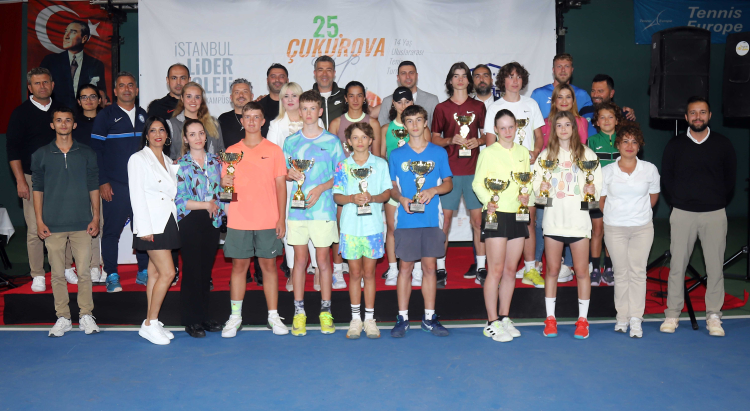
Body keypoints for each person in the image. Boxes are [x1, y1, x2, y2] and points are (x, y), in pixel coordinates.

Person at [660, 96, 736, 337]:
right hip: (682, 214)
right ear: (686, 117)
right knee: (677, 266)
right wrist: (679, 201)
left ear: (710, 116)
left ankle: (713, 316)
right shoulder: (675, 145)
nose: (698, 117)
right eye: (693, 112)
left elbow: (730, 179)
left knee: (715, 268)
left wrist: (715, 200)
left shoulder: (723, 144)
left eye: (702, 112)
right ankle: (672, 314)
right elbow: (667, 178)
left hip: (714, 214)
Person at [220, 102, 288, 338]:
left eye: (256, 117)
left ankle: (273, 316)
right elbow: (226, 191)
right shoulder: (231, 152)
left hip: (268, 219)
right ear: (242, 121)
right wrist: (224, 185)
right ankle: (235, 317)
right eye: (247, 116)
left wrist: (281, 218)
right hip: (239, 219)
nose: (251, 121)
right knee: (239, 267)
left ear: (263, 121)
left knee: (269, 267)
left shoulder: (274, 150)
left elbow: (281, 186)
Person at [531, 110, 601, 340]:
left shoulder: (587, 154)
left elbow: (597, 191)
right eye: (559, 125)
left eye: (567, 124)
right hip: (554, 222)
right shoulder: (546, 156)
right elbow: (537, 191)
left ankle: (583, 321)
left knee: (581, 272)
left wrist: (592, 191)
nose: (563, 129)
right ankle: (550, 319)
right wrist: (540, 189)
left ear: (574, 128)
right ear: (554, 129)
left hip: (579, 223)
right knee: (552, 271)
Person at [32, 106, 100, 337]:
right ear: (52, 125)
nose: (63, 124)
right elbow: (37, 190)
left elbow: (94, 186)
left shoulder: (87, 153)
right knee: (57, 274)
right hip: (52, 225)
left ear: (74, 124)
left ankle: (86, 315)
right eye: (59, 120)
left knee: (84, 273)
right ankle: (63, 317)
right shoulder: (40, 154)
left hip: (82, 223)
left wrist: (96, 217)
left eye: (68, 120)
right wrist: (39, 221)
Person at [283, 90, 346, 336]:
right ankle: (299, 313)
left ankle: (326, 312)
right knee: (299, 262)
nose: (308, 113)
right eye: (304, 108)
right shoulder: (290, 142)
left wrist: (321, 188)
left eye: (313, 109)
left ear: (320, 111)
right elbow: (285, 172)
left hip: (323, 211)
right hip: (297, 212)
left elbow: (340, 175)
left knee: (323, 261)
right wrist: (289, 174)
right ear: (299, 112)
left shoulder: (332, 141)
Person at [389, 105, 453, 338]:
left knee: (429, 268)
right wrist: (401, 198)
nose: (414, 125)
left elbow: (448, 183)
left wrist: (433, 190)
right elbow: (392, 187)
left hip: (431, 219)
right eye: (410, 121)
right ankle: (402, 317)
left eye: (418, 120)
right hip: (407, 219)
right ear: (404, 125)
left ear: (425, 123)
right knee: (405, 268)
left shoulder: (438, 152)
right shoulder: (396, 155)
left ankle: (429, 317)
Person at [483, 62, 545, 288]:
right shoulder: (494, 107)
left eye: (519, 77)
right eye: (510, 76)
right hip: (502, 176)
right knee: (502, 220)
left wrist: (535, 152)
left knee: (528, 219)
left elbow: (539, 136)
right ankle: (501, 269)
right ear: (503, 81)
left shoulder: (531, 104)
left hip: (526, 172)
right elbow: (490, 143)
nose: (515, 81)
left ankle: (530, 269)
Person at [472, 109, 530, 342]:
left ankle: (504, 317)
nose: (507, 131)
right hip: (495, 215)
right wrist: (489, 201)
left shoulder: (523, 152)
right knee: (495, 270)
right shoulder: (488, 153)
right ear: (495, 129)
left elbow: (527, 182)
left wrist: (527, 194)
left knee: (510, 270)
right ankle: (491, 322)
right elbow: (477, 183)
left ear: (516, 128)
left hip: (518, 214)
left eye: (511, 127)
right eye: (502, 128)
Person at [90, 72, 150, 292]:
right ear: (115, 91)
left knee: (142, 229)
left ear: (136, 90)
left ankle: (143, 271)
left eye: (130, 85)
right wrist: (103, 181)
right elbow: (96, 151)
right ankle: (112, 274)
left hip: (142, 185)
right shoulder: (105, 116)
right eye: (122, 86)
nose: (127, 89)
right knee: (112, 232)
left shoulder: (144, 115)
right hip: (115, 184)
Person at [600, 124, 659, 338]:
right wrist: (616, 216)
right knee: (621, 272)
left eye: (634, 141)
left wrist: (637, 214)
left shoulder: (650, 169)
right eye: (625, 141)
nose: (630, 145)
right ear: (618, 145)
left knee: (638, 272)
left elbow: (653, 197)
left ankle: (636, 318)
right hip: (614, 229)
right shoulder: (607, 171)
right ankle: (622, 317)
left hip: (642, 228)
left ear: (639, 146)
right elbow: (601, 201)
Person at [431, 62, 486, 287]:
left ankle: (481, 267)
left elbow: (488, 136)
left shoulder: (479, 106)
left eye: (464, 76)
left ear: (469, 81)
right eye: (456, 76)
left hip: (474, 171)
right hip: (450, 173)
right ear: (450, 80)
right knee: (444, 223)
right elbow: (434, 138)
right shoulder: (441, 108)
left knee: (478, 222)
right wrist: (449, 140)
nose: (460, 79)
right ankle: (440, 268)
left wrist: (478, 141)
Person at [333, 123, 391, 339]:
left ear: (371, 140)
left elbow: (387, 193)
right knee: (355, 274)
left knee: (369, 274)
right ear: (348, 142)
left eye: (364, 137)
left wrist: (372, 198)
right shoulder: (342, 166)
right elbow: (337, 196)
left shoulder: (380, 164)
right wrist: (351, 198)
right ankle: (355, 319)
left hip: (373, 228)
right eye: (355, 137)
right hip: (350, 228)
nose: (360, 141)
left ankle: (370, 319)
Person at [7, 68, 61, 292]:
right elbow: (13, 151)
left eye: (45, 82)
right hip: (31, 178)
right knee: (34, 228)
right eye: (37, 83)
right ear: (30, 87)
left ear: (52, 85)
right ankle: (38, 274)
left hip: (62, 178)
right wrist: (20, 181)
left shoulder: (62, 110)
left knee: (64, 225)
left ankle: (65, 268)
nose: (42, 86)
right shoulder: (20, 113)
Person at [128, 116, 180, 345]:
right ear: (146, 135)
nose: (158, 134)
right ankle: (151, 322)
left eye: (161, 130)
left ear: (167, 135)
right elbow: (136, 195)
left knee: (156, 274)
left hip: (167, 221)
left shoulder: (168, 161)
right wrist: (144, 228)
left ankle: (151, 322)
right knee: (168, 273)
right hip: (150, 224)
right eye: (153, 130)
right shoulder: (138, 159)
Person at [175, 118, 227, 338]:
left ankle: (204, 317)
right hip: (190, 220)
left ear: (206, 136)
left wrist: (228, 186)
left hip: (212, 220)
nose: (198, 138)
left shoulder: (217, 161)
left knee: (206, 271)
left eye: (201, 133)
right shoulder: (180, 164)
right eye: (192, 134)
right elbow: (179, 200)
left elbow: (221, 194)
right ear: (185, 139)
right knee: (192, 271)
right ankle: (191, 320)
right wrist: (206, 205)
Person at [328, 81, 382, 288]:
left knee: (366, 228)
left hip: (367, 187)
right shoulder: (336, 123)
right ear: (345, 98)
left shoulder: (373, 122)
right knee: (341, 226)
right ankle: (338, 269)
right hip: (344, 185)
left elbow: (378, 156)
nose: (356, 99)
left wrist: (372, 189)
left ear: (364, 98)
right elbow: (332, 158)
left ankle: (360, 271)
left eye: (359, 95)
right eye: (351, 95)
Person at [536, 83, 590, 283]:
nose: (564, 101)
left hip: (573, 179)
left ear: (573, 100)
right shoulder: (544, 122)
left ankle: (568, 265)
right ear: (554, 101)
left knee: (573, 221)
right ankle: (540, 262)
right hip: (550, 179)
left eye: (568, 97)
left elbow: (581, 150)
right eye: (560, 97)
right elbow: (543, 150)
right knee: (542, 221)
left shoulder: (581, 122)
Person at [379, 87, 418, 285]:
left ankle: (417, 269)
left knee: (416, 226)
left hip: (415, 184)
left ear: (412, 102)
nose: (403, 105)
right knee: (392, 228)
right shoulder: (386, 129)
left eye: (407, 101)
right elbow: (381, 157)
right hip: (393, 184)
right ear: (393, 104)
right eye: (399, 102)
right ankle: (393, 268)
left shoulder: (419, 127)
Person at [66, 84, 103, 284]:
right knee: (77, 225)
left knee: (97, 223)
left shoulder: (106, 120)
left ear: (100, 99)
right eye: (84, 97)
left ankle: (95, 266)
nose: (89, 100)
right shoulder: (74, 124)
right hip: (77, 180)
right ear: (79, 101)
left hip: (100, 179)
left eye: (93, 96)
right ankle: (75, 266)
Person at [587, 101, 624, 286]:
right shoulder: (592, 141)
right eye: (602, 117)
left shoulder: (623, 140)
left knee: (611, 232)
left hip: (617, 195)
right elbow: (587, 170)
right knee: (597, 231)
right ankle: (595, 269)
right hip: (597, 194)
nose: (607, 120)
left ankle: (609, 268)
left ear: (617, 121)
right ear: (596, 122)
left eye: (611, 117)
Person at [40, 21, 107, 109]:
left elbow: (101, 94)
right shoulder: (50, 61)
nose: (66, 36)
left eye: (72, 32)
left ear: (84, 38)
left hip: (85, 114)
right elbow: (39, 90)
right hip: (56, 114)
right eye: (66, 32)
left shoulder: (96, 65)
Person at [531, 53, 593, 129]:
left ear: (572, 70)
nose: (563, 70)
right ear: (553, 70)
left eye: (567, 66)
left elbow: (588, 124)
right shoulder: (538, 94)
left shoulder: (582, 95)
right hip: (545, 136)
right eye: (559, 66)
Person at [166, 81, 224, 160]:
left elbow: (221, 150)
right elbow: (168, 156)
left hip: (210, 167)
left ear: (201, 100)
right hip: (182, 168)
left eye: (197, 97)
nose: (193, 101)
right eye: (189, 96)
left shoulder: (213, 123)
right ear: (182, 98)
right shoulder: (171, 125)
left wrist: (220, 160)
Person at [377, 61, 440, 127]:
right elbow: (381, 129)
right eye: (403, 73)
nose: (408, 77)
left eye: (411, 73)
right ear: (398, 77)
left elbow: (437, 130)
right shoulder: (388, 101)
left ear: (417, 76)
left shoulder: (432, 100)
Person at [311, 56, 346, 128]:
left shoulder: (346, 95)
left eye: (328, 70)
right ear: (315, 73)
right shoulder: (307, 97)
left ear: (334, 73)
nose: (324, 74)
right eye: (320, 70)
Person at [218, 78, 253, 148]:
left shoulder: (260, 118)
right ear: (231, 97)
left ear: (252, 96)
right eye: (237, 92)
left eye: (245, 92)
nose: (241, 95)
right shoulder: (223, 119)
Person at [258, 63, 289, 137]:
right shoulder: (258, 107)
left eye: (281, 76)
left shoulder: (296, 105)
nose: (277, 80)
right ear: (267, 80)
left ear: (287, 80)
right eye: (273, 76)